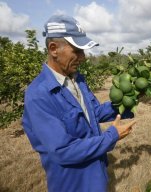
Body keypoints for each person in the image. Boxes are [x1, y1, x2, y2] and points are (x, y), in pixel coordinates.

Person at [22, 14, 136, 192]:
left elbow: (94, 113)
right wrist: (111, 135)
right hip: (73, 182)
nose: (83, 58)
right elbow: (63, 150)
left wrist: (128, 102)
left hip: (96, 172)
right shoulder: (39, 95)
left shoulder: (77, 80)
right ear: (53, 49)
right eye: (77, 51)